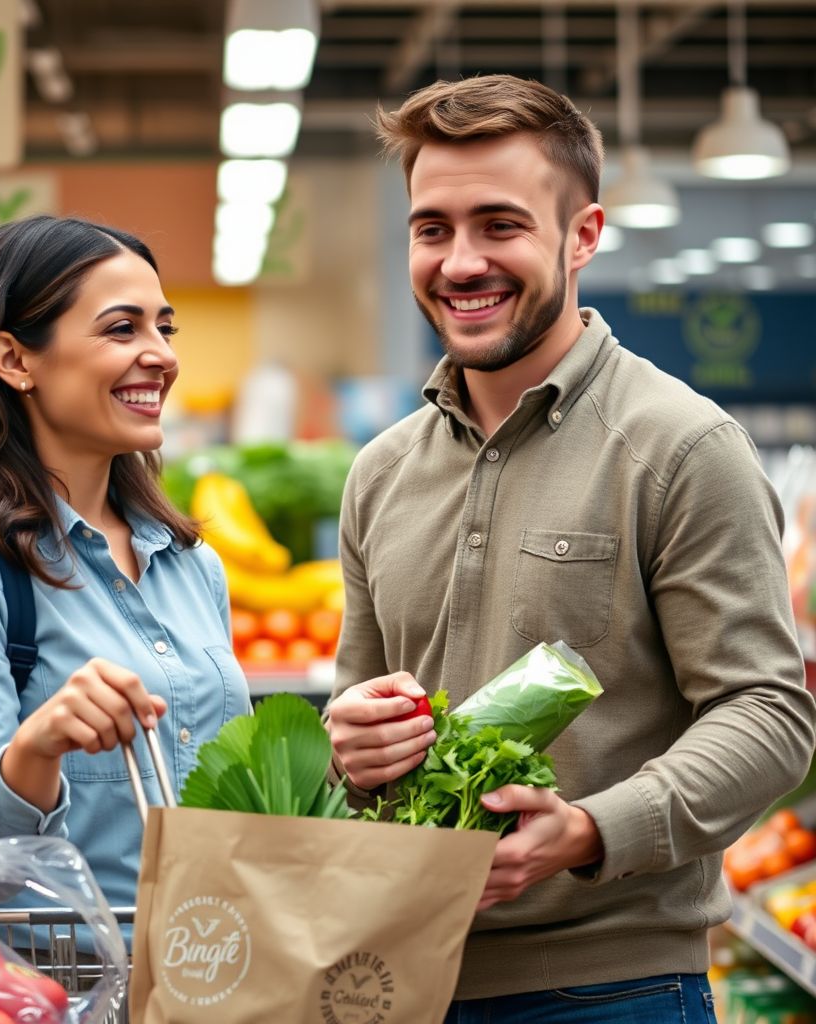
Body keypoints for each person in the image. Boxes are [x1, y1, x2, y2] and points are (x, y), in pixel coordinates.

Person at [325, 74, 816, 1023]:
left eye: (499, 225)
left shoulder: (681, 446)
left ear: (582, 235)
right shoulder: (380, 472)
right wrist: (351, 741)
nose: (460, 262)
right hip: (399, 979)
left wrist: (589, 830)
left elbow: (768, 714)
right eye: (433, 229)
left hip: (611, 988)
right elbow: (358, 709)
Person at [0, 215, 251, 908]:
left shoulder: (191, 565)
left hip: (210, 973)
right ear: (14, 360)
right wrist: (36, 750)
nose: (160, 355)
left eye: (165, 328)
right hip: (48, 997)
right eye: (122, 329)